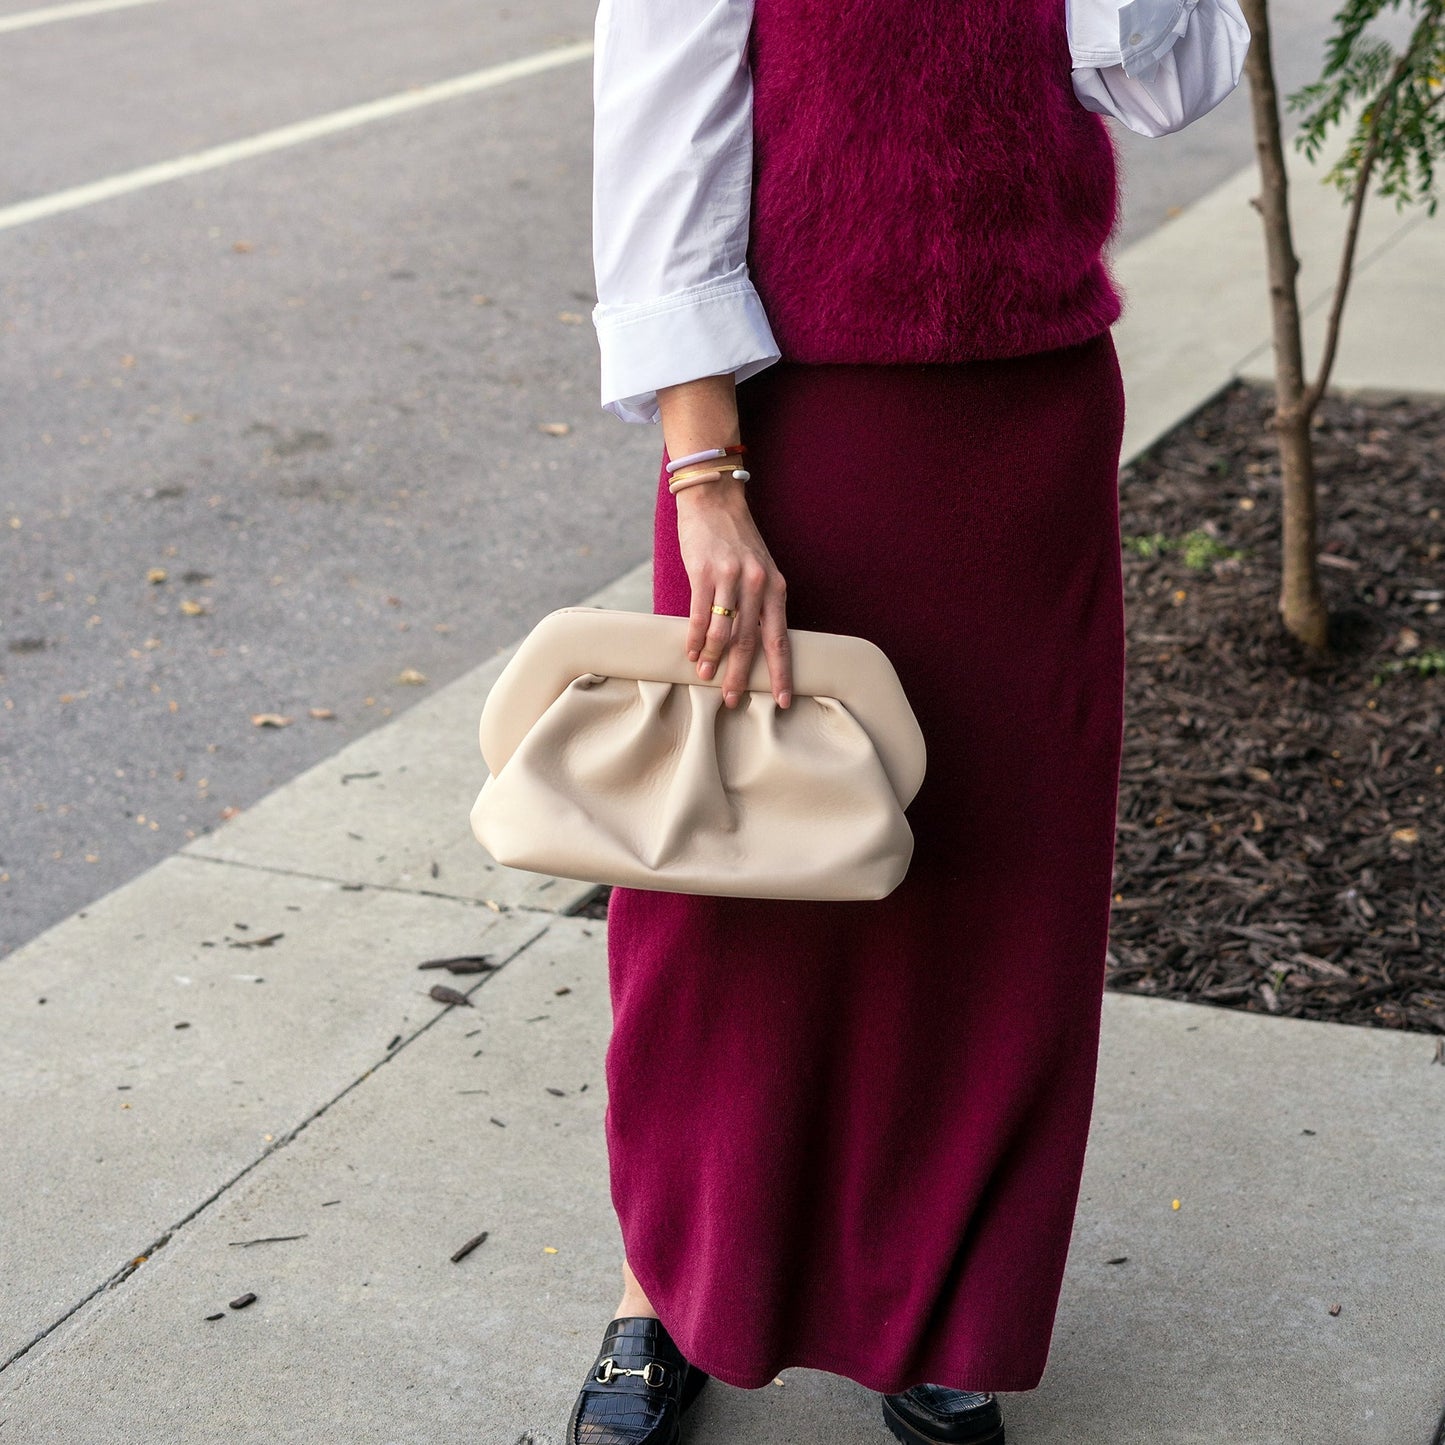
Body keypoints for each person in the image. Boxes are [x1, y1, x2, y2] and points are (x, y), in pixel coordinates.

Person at [569, 1, 1250, 1441]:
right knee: (730, 887)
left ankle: (937, 1304)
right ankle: (664, 1286)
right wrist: (707, 477)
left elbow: (1164, 85)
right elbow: (660, 130)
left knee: (996, 891)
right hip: (793, 418)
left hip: (1027, 419)